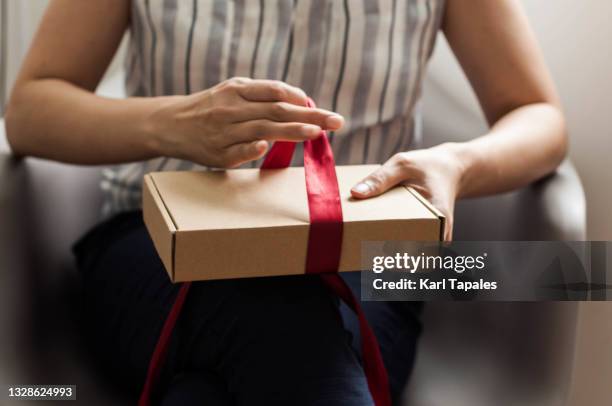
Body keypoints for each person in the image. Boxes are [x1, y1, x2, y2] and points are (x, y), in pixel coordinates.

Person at [5, 0, 567, 405]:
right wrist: (169, 123)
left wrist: (457, 165)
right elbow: (29, 113)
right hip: (153, 255)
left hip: (370, 269)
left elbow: (540, 118)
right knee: (281, 314)